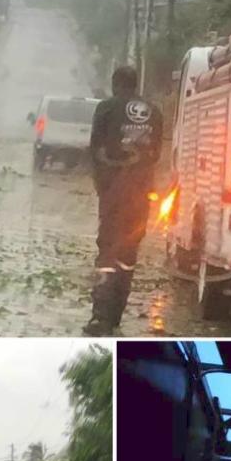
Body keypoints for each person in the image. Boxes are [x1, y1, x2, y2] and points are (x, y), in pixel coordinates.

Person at [84, 65, 164, 336]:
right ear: (136, 83)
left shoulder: (106, 108)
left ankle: (100, 317)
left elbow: (95, 149)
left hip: (113, 194)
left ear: (115, 83)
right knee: (129, 254)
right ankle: (117, 315)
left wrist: (103, 185)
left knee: (107, 251)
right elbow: (155, 155)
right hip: (141, 196)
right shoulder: (154, 112)